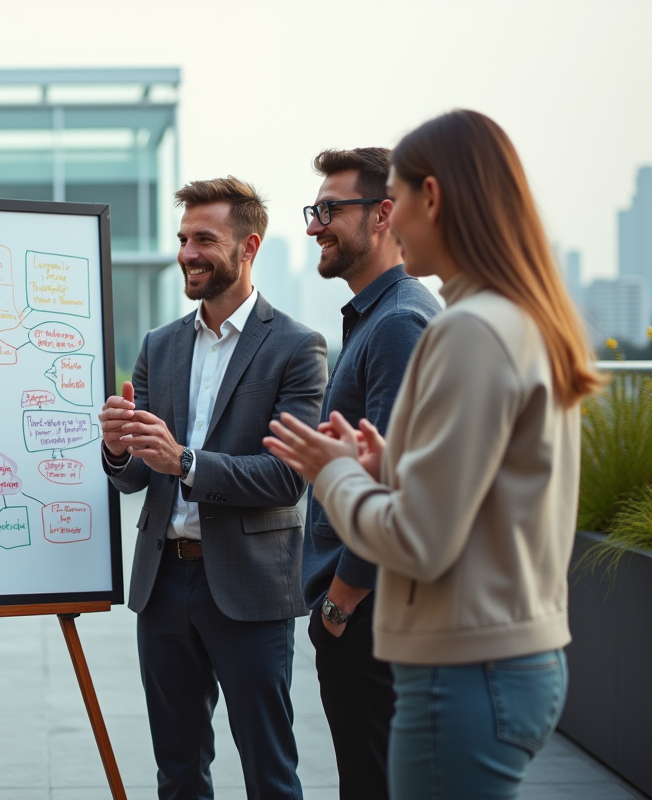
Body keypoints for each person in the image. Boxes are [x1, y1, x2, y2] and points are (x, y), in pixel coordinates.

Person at [265, 110, 602, 800]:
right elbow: (482, 494)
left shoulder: (462, 329)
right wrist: (388, 470)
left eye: (399, 199)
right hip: (500, 659)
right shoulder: (510, 319)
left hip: (464, 668)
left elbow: (419, 538)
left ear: (431, 199)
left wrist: (333, 476)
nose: (395, 219)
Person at [98, 176, 327, 799]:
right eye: (183, 239)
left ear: (248, 247)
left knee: (269, 774)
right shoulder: (160, 346)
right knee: (177, 774)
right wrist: (118, 449)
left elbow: (287, 478)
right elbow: (138, 476)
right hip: (164, 585)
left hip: (249, 589)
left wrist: (186, 462)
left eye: (204, 239)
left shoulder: (297, 347)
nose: (187, 253)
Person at [300, 147, 441, 800]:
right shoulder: (376, 318)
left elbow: (394, 483)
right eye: (313, 211)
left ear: (383, 215)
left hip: (371, 616)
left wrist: (340, 604)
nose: (315, 226)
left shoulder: (397, 323)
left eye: (329, 210)